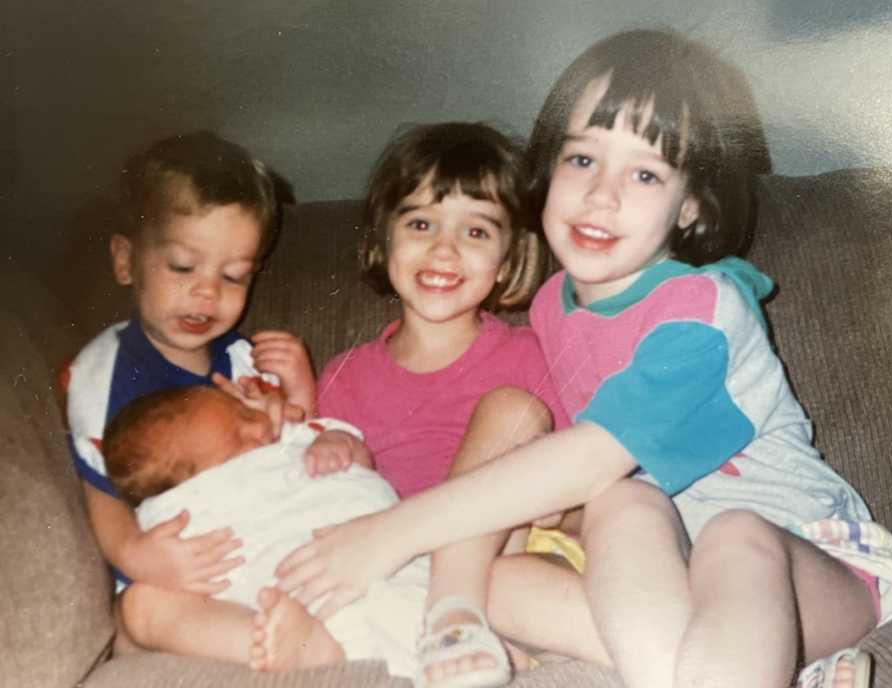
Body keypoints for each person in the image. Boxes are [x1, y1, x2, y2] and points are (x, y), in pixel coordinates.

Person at [274, 30, 892, 688]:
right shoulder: (551, 307)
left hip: (806, 566)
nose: (602, 195)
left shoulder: (701, 311)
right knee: (515, 575)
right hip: (666, 579)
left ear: (691, 205)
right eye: (582, 161)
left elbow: (592, 457)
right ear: (548, 167)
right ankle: (744, 671)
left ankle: (767, 655)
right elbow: (580, 486)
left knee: (733, 536)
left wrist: (392, 533)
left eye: (644, 173)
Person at [304, 121, 602, 686]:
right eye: (420, 223)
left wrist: (558, 506)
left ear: (510, 259)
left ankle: (461, 619)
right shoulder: (341, 377)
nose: (444, 249)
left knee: (511, 409)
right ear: (381, 240)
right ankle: (460, 631)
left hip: (511, 562)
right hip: (395, 577)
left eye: (476, 232)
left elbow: (592, 490)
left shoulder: (532, 356)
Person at [63, 131, 315, 665]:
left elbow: (299, 453)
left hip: (271, 549)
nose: (208, 292)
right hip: (179, 578)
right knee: (141, 612)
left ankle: (312, 635)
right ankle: (290, 652)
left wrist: (298, 394)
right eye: (183, 267)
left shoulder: (245, 359)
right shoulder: (104, 368)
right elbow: (98, 485)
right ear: (126, 260)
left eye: (233, 276)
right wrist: (135, 554)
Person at [102, 384, 429, 677]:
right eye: (239, 437)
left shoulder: (295, 439)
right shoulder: (170, 515)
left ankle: (312, 647)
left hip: (388, 562)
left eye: (245, 413)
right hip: (295, 604)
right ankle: (276, 644)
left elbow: (359, 460)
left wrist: (336, 442)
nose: (259, 426)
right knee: (143, 603)